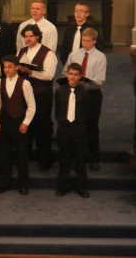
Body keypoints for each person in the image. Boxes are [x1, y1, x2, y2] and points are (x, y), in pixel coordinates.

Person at [63, 28, 106, 171]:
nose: (85, 43)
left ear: (94, 41)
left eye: (88, 41)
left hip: (92, 94)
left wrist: (85, 82)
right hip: (75, 92)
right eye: (83, 40)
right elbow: (65, 72)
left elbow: (100, 80)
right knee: (75, 126)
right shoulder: (74, 54)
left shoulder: (100, 57)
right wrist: (72, 79)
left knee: (92, 126)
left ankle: (94, 158)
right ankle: (77, 157)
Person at [17, 24, 58, 170]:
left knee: (42, 128)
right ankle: (24, 158)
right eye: (26, 36)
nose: (28, 39)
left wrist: (30, 72)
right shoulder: (22, 51)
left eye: (31, 36)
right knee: (25, 128)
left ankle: (45, 160)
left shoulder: (48, 54)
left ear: (37, 36)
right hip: (24, 96)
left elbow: (49, 75)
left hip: (41, 95)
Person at [0, 55, 36, 195]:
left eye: (9, 67)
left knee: (21, 155)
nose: (6, 70)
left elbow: (31, 106)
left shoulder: (25, 83)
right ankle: (3, 183)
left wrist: (25, 123)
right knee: (4, 155)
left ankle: (23, 185)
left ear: (17, 67)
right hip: (5, 122)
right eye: (5, 67)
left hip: (19, 122)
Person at [55, 63, 90, 197]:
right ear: (66, 74)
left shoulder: (84, 93)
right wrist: (62, 121)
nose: (72, 77)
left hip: (79, 128)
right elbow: (58, 110)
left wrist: (79, 122)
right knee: (64, 158)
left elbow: (87, 112)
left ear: (80, 76)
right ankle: (62, 186)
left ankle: (82, 188)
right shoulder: (60, 91)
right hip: (64, 128)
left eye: (76, 75)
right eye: (70, 74)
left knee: (80, 158)